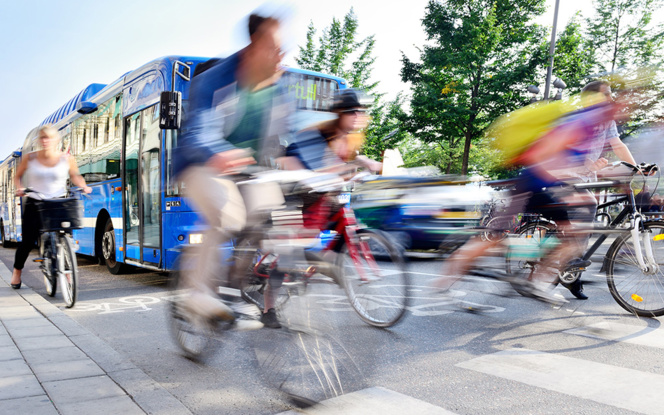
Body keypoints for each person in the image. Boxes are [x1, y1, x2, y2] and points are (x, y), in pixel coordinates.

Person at [172, 13, 292, 330]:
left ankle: (233, 289)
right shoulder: (213, 80)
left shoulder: (276, 90)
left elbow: (294, 138)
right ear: (253, 47)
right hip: (200, 163)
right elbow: (198, 132)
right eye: (275, 48)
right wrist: (221, 153)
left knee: (278, 218)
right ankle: (196, 294)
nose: (282, 56)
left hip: (248, 170)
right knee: (229, 217)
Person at [562, 80, 638, 299]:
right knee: (589, 206)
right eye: (606, 94)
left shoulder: (607, 121)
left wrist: (637, 167)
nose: (611, 98)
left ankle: (571, 269)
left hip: (585, 177)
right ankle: (571, 268)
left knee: (588, 218)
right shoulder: (578, 119)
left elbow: (618, 145)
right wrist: (588, 165)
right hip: (564, 175)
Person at [10, 125, 92, 289]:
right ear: (39, 140)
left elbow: (75, 175)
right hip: (35, 202)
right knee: (27, 241)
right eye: (42, 138)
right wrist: (19, 188)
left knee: (66, 236)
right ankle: (17, 272)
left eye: (49, 137)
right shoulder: (30, 158)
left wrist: (84, 186)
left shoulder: (66, 158)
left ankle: (67, 271)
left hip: (58, 202)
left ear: (57, 140)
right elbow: (17, 176)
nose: (45, 141)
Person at [281, 88, 381, 173]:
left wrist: (364, 161)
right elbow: (287, 159)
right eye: (351, 111)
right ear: (339, 113)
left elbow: (343, 163)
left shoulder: (353, 138)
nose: (357, 116)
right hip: (300, 194)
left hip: (326, 194)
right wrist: (308, 178)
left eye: (362, 111)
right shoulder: (315, 135)